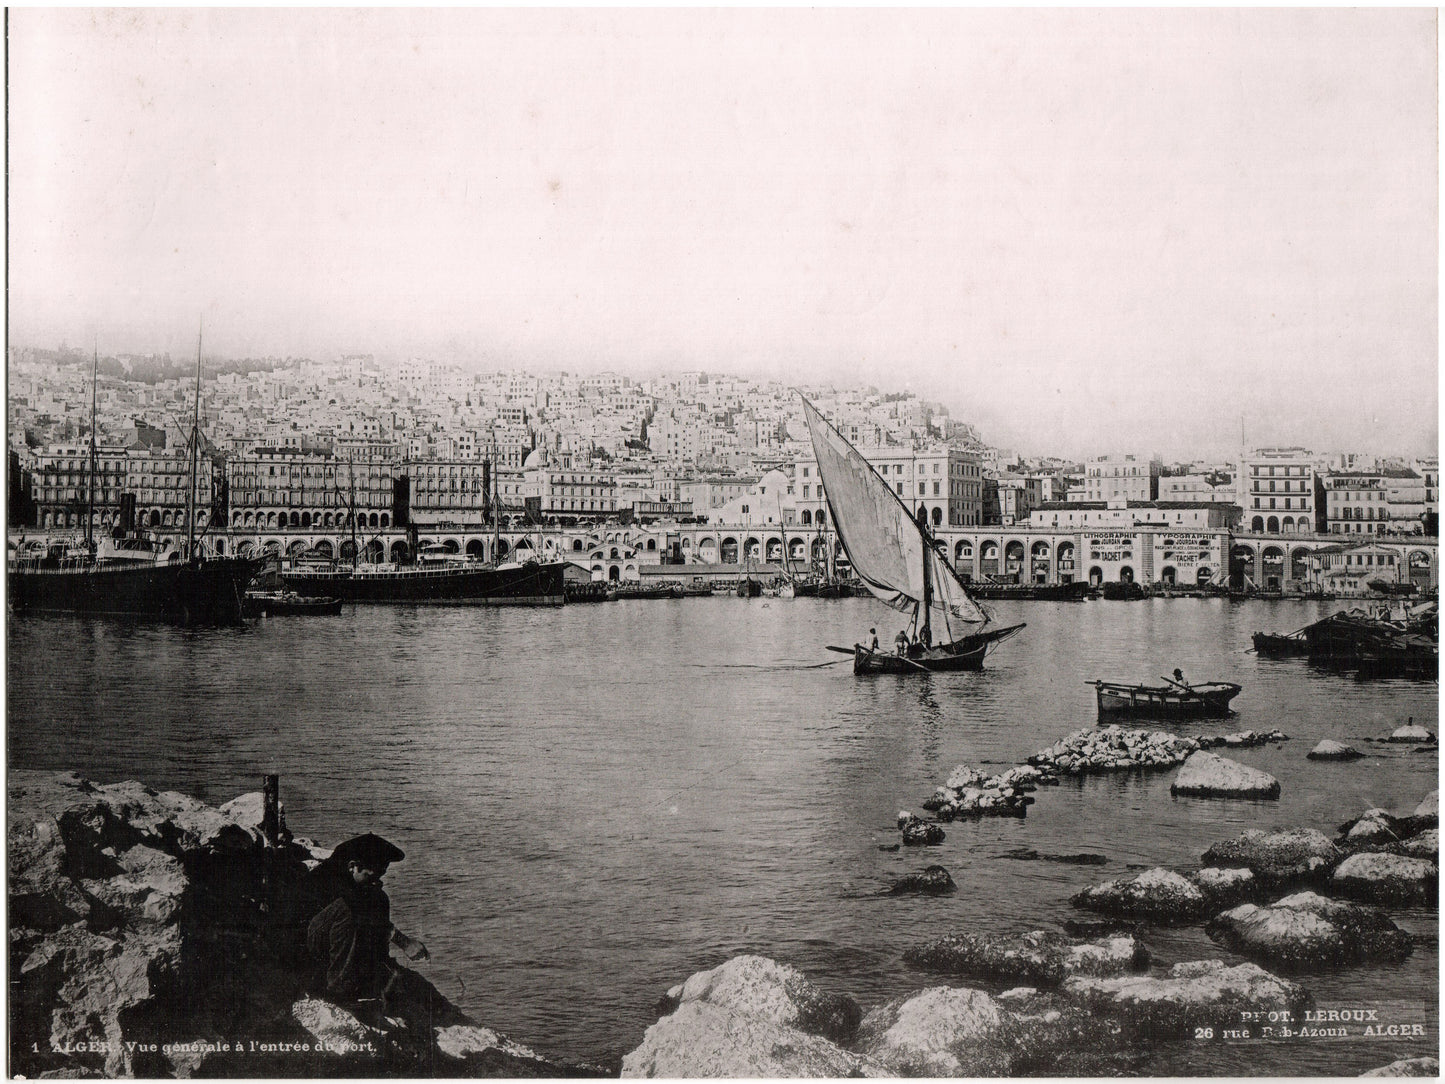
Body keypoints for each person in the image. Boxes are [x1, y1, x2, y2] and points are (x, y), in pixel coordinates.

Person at [304, 833, 405, 1003]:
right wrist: (404, 942)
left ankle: (373, 971)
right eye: (371, 876)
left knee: (379, 897)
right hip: (305, 950)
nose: (376, 881)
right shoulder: (328, 877)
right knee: (349, 909)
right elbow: (357, 909)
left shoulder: (351, 879)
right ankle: (338, 990)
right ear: (353, 866)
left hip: (329, 945)